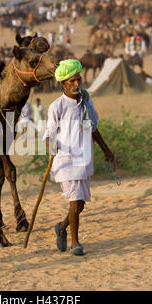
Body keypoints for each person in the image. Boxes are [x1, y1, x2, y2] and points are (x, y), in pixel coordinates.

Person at [43, 59, 116, 256]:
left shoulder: (86, 101)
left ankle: (61, 227)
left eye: (78, 79)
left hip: (84, 158)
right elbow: (49, 133)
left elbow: (92, 127)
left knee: (80, 204)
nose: (76, 84)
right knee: (74, 202)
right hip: (65, 160)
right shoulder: (56, 106)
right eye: (72, 81)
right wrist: (51, 144)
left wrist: (106, 149)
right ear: (63, 84)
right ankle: (75, 242)